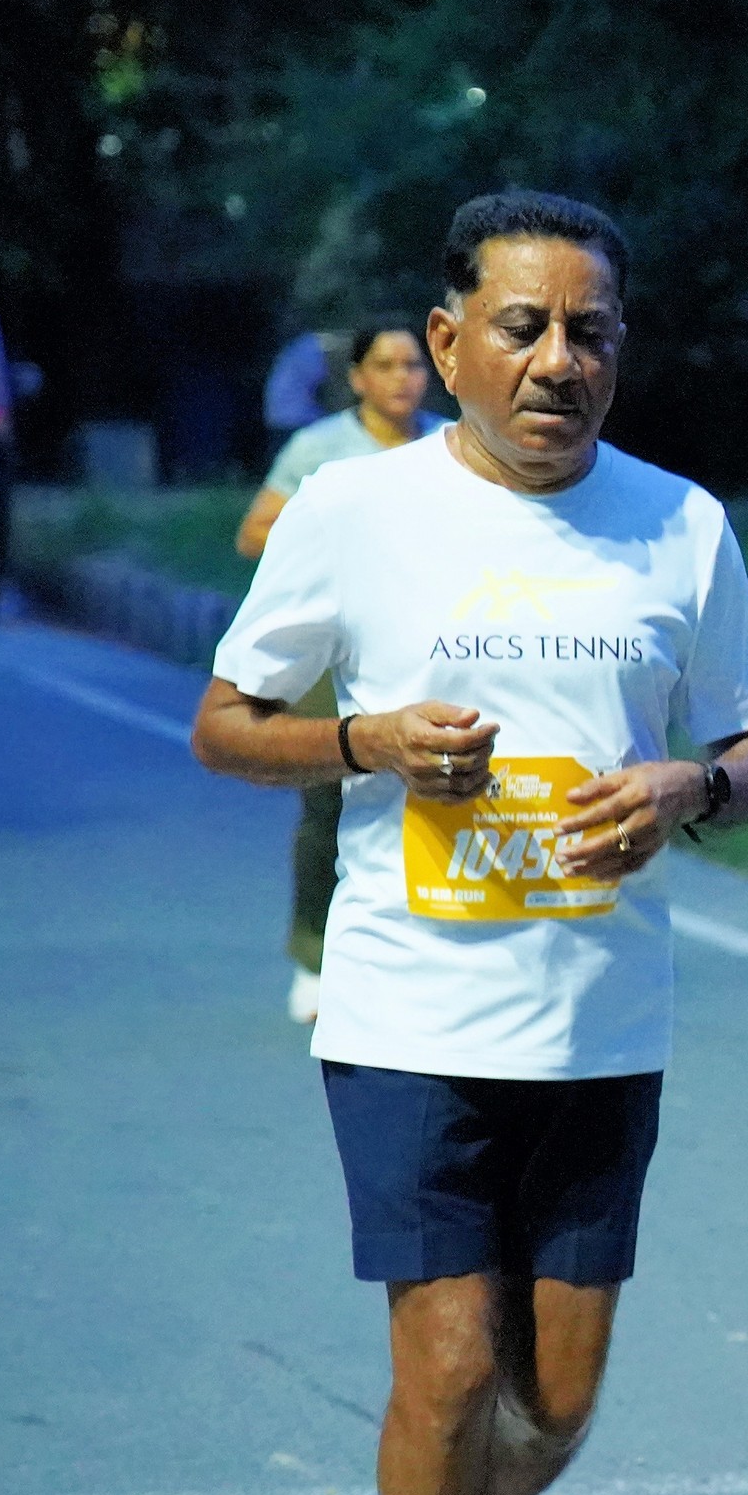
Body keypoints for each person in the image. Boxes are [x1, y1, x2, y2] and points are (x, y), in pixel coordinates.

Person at [189, 190, 748, 1495]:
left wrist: (687, 790)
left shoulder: (682, 527)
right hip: (410, 1017)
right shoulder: (354, 512)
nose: (557, 360)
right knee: (447, 1370)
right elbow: (226, 724)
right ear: (448, 343)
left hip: (601, 1024)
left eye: (589, 331)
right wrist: (365, 742)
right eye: (523, 327)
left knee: (552, 1408)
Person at [236, 321, 436, 1024]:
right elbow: (253, 534)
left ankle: (424, 957)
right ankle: (313, 955)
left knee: (437, 793)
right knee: (329, 796)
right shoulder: (319, 450)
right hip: (339, 647)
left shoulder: (452, 446)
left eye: (413, 365)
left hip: (432, 645)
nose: (403, 378)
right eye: (386, 365)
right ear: (357, 379)